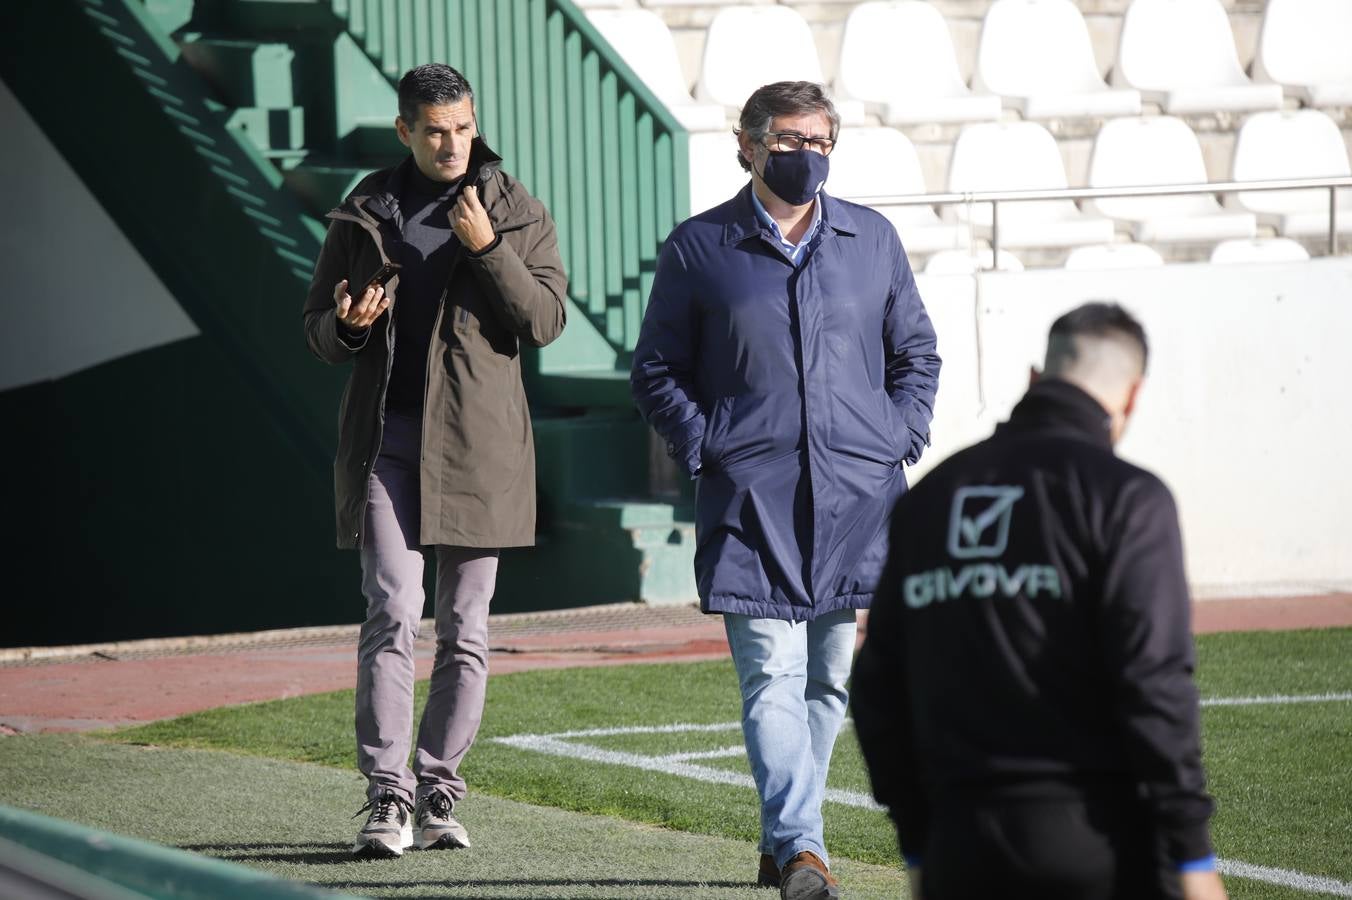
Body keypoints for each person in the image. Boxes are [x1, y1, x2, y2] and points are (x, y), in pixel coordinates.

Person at [630, 81, 941, 900]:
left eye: (821, 141)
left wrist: (898, 435)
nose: (808, 156)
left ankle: (784, 841)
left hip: (857, 498)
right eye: (791, 141)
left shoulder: (871, 240)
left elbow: (916, 354)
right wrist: (708, 446)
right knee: (771, 671)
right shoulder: (699, 248)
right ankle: (805, 849)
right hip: (749, 501)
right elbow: (657, 369)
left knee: (830, 678)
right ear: (749, 145)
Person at [852, 303, 1228, 900]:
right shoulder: (1129, 498)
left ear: (1034, 378)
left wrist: (920, 842)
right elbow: (1154, 685)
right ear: (1131, 398)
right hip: (1100, 849)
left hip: (960, 851)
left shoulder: (931, 498)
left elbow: (876, 686)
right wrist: (1192, 853)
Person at [302, 63, 566, 859]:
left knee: (465, 629)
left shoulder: (514, 209)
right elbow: (317, 324)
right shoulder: (365, 210)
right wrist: (347, 327)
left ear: (473, 121)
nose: (452, 144)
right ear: (405, 131)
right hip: (387, 441)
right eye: (434, 130)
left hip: (479, 448)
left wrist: (488, 251)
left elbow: (544, 319)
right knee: (389, 609)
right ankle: (388, 798)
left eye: (462, 127)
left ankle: (440, 788)